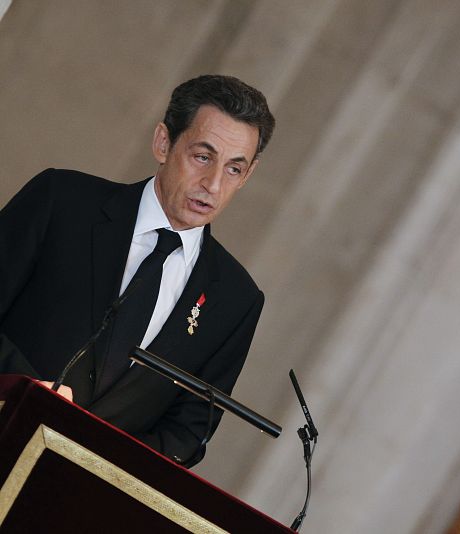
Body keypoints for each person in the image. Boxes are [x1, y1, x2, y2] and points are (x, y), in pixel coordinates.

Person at [0, 74, 275, 467]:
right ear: (164, 143)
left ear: (248, 175)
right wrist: (27, 391)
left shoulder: (237, 300)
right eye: (203, 156)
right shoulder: (61, 202)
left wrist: (102, 461)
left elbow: (188, 433)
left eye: (234, 169)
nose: (213, 184)